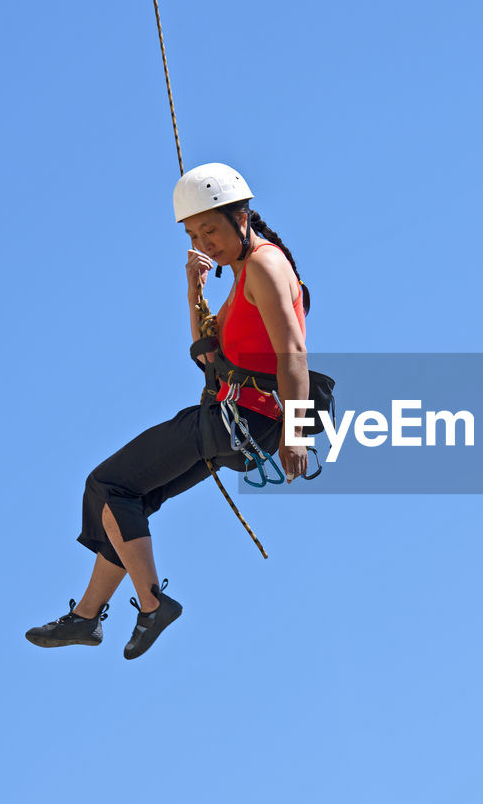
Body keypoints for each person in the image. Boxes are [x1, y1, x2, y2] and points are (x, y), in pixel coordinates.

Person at [25, 162, 310, 660]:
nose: (206, 241)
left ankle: (152, 604)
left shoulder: (264, 266)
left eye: (212, 229)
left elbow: (294, 354)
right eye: (194, 233)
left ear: (243, 217)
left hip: (242, 421)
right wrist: (193, 289)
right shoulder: (244, 273)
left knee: (108, 485)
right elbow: (207, 353)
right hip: (238, 424)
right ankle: (87, 617)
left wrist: (297, 430)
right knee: (125, 502)